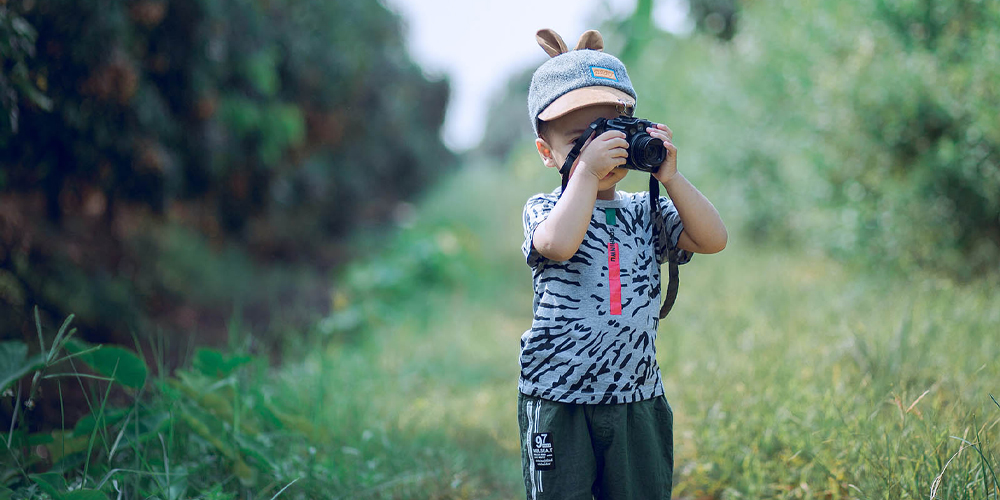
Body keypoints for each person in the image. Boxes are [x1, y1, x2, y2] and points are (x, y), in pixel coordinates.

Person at [518, 28, 728, 500]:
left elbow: (713, 239)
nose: (600, 150)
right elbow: (558, 244)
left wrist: (671, 178)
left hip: (637, 395)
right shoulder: (544, 209)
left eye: (610, 134)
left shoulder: (644, 209)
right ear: (547, 153)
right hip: (557, 396)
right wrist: (587, 174)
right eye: (580, 139)